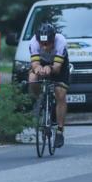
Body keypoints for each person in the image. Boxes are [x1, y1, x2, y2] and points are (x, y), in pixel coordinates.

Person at [28, 20, 70, 148]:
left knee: (60, 93)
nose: (45, 47)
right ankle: (39, 100)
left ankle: (60, 130)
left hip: (59, 65)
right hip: (42, 62)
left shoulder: (61, 42)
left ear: (53, 40)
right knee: (32, 78)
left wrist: (50, 69)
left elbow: (57, 67)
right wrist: (37, 69)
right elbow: (35, 64)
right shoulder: (33, 42)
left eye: (48, 44)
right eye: (42, 44)